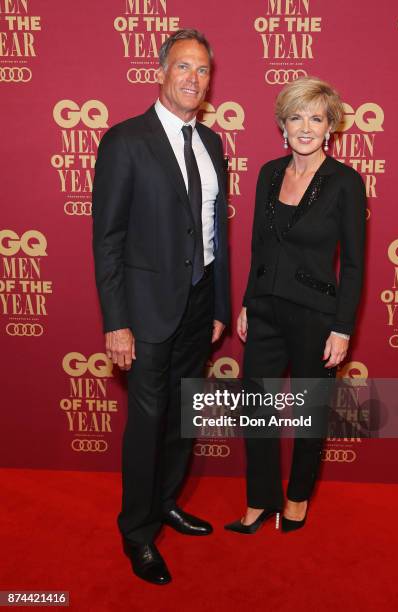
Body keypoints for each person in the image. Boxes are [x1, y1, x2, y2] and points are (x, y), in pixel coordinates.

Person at [92, 29, 230, 584]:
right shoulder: (125, 141)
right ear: (161, 72)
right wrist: (116, 321)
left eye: (202, 71)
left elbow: (215, 229)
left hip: (198, 304)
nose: (193, 79)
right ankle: (138, 531)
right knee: (148, 423)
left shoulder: (213, 143)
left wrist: (217, 303)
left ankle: (167, 501)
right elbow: (108, 240)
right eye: (183, 67)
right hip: (146, 311)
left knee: (183, 416)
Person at [224, 76, 366, 534]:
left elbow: (356, 265)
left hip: (315, 315)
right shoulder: (267, 173)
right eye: (296, 117)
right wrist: (247, 302)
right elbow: (257, 247)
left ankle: (298, 494)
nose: (306, 127)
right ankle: (261, 498)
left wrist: (342, 329)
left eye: (316, 118)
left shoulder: (345, 182)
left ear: (330, 127)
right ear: (282, 125)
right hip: (264, 310)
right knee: (255, 404)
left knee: (309, 408)